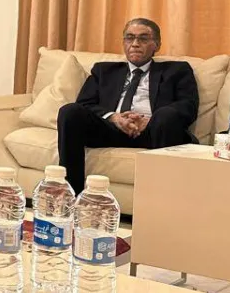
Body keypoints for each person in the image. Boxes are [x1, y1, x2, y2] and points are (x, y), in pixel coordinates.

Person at [57, 18, 198, 193]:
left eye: (143, 38)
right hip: (111, 129)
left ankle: (159, 197)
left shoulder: (177, 70)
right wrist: (114, 117)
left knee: (166, 116)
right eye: (130, 38)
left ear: (157, 44)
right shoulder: (103, 71)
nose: (135, 44)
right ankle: (71, 194)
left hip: (155, 131)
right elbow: (85, 104)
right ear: (124, 43)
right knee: (69, 112)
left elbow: (188, 106)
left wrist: (152, 120)